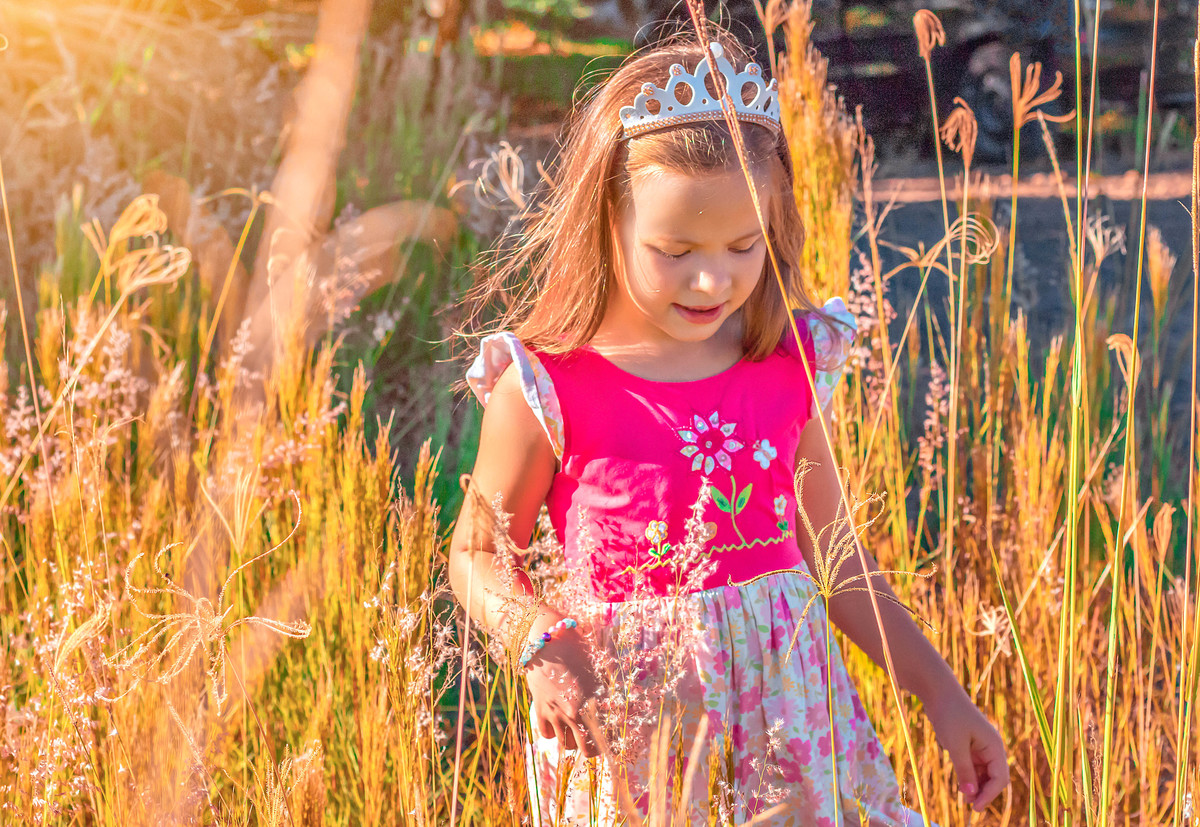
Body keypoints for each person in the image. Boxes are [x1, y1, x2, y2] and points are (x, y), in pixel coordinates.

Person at [448, 31, 1009, 826]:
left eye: (743, 246)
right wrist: (539, 636)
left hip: (792, 744)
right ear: (605, 221)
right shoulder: (548, 386)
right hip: (638, 742)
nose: (714, 279)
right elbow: (475, 554)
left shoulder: (786, 362)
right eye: (675, 250)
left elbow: (840, 558)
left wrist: (946, 699)